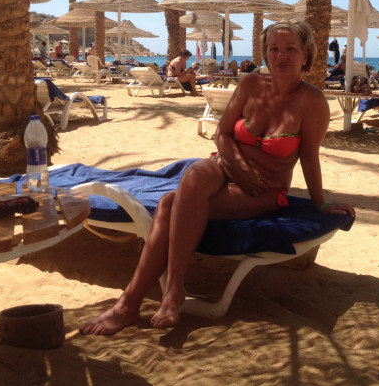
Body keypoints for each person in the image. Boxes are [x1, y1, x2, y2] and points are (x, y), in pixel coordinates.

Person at [79, 21, 355, 336]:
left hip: (263, 190)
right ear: (265, 54)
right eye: (274, 49)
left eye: (290, 49)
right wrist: (239, 168)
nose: (281, 56)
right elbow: (222, 134)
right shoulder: (251, 84)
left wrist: (321, 206)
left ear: (306, 55)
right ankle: (171, 291)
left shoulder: (312, 102)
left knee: (169, 204)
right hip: (223, 167)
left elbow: (309, 158)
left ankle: (133, 303)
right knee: (195, 173)